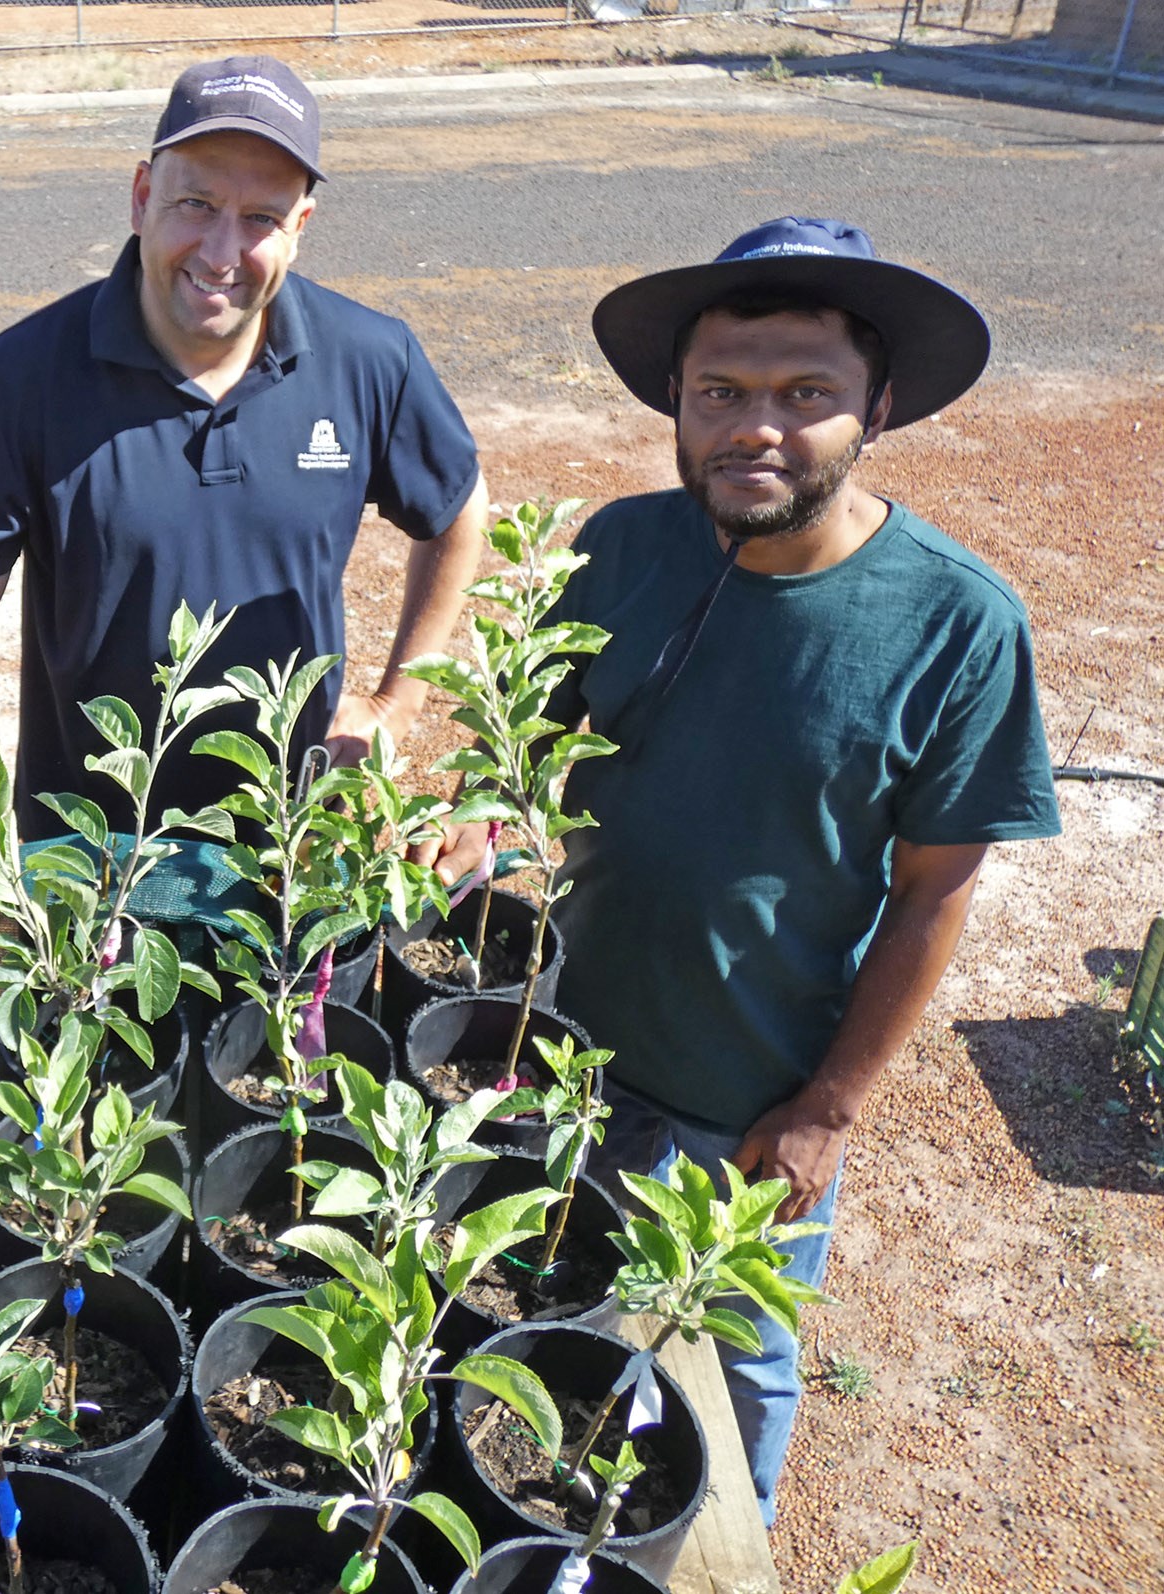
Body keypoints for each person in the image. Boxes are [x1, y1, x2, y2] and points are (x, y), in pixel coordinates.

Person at [464, 217, 1061, 1524]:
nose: (755, 429)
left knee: (732, 1366)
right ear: (675, 404)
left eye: (805, 394)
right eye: (718, 393)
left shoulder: (955, 622)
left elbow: (933, 888)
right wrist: (473, 816)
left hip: (747, 1110)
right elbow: (531, 750)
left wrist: (827, 1109)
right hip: (565, 1055)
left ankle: (728, 1546)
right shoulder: (618, 548)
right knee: (557, 1320)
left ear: (877, 405)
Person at [0, 55, 491, 898]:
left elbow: (459, 512)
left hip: (297, 846)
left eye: (260, 217)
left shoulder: (369, 360)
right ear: (140, 197)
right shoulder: (18, 379)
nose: (221, 249)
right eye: (195, 203)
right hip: (90, 847)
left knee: (288, 1035)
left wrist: (396, 704)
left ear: (302, 224)